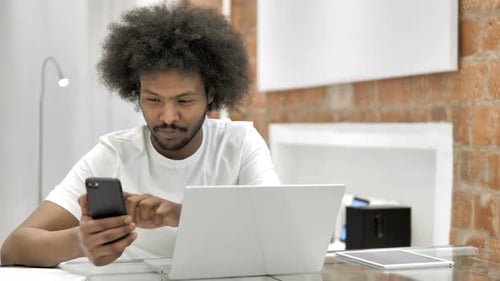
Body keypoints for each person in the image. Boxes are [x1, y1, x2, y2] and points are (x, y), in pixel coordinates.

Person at [1, 1, 280, 267]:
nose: (168, 117)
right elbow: (13, 248)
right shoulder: (115, 153)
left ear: (211, 95)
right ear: (136, 94)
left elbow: (278, 228)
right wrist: (79, 242)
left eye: (184, 101)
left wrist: (180, 214)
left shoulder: (240, 143)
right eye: (154, 100)